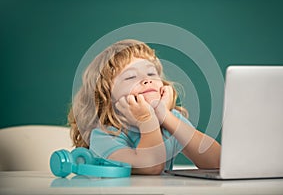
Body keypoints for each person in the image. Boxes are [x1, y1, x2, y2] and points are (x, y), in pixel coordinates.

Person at [68, 39, 221, 175]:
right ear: (106, 96)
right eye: (131, 77)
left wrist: (165, 116)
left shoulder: (167, 120)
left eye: (151, 73)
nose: (146, 80)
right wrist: (146, 120)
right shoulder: (104, 135)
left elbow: (217, 162)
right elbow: (151, 166)